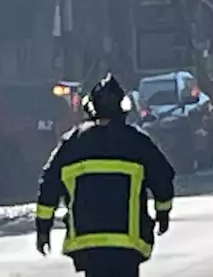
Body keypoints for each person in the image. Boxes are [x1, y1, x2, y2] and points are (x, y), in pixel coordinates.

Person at [35, 74, 175, 277]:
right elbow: (163, 177)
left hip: (87, 243)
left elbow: (48, 184)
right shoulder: (137, 141)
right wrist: (163, 214)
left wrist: (43, 229)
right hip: (128, 244)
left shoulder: (73, 142)